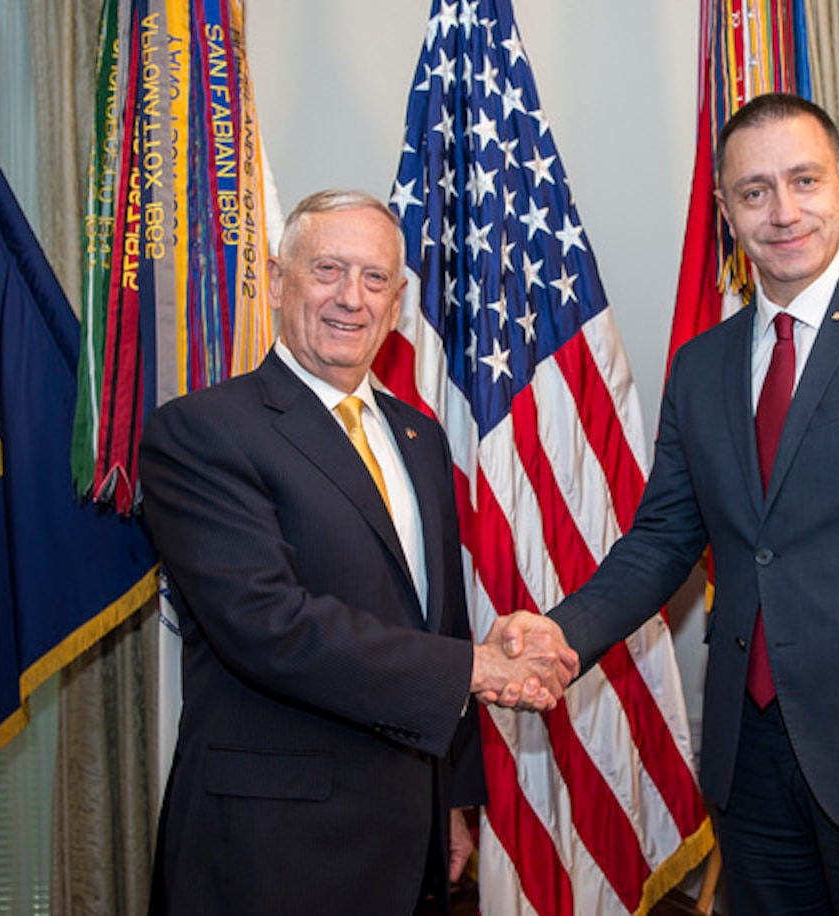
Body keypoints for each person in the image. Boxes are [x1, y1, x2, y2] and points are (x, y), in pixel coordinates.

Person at [512, 94, 839, 913]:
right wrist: (561, 631)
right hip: (749, 768)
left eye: (804, 180)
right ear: (727, 210)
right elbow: (662, 541)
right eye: (755, 192)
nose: (784, 211)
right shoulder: (702, 366)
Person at [139, 190, 577, 916]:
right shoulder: (202, 432)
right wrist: (478, 666)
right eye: (328, 270)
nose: (352, 297)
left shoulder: (420, 438)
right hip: (270, 846)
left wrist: (456, 798)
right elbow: (267, 625)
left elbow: (437, 622)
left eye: (375, 279)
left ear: (399, 299)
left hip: (406, 835)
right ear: (279, 281)